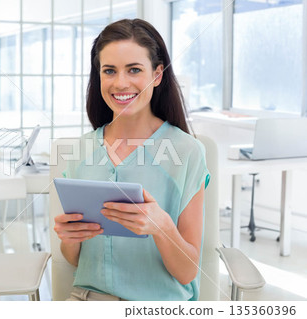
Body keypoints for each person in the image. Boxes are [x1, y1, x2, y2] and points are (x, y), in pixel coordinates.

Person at [53, 18, 210, 301]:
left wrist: (161, 227)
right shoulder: (83, 149)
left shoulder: (187, 152)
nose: (120, 83)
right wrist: (70, 239)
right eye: (109, 71)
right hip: (87, 299)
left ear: (157, 74)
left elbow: (187, 273)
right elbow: (75, 260)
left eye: (134, 70)